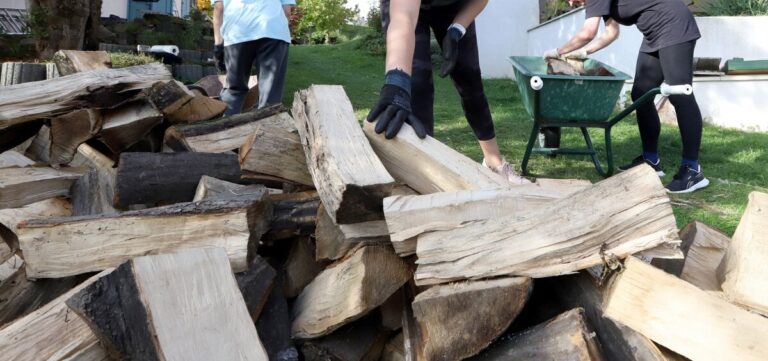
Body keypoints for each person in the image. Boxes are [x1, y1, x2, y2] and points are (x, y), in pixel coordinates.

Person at [545, 0, 708, 193]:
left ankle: (692, 169)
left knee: (680, 93)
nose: (571, 2)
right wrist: (584, 52)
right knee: (641, 93)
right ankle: (651, 160)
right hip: (654, 33)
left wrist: (558, 52)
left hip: (673, 26)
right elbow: (611, 32)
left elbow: (588, 32)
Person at [368, 0, 531, 184]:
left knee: (470, 78)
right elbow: (404, 16)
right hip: (406, 6)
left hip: (453, 7)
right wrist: (397, 82)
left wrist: (457, 29)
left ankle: (494, 163)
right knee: (417, 83)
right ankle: (420, 171)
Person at [212, 0, 295, 116]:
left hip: (237, 31)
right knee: (270, 96)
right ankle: (269, 131)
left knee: (234, 90)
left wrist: (218, 44)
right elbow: (286, 10)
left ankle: (222, 130)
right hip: (272, 31)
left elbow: (219, 8)